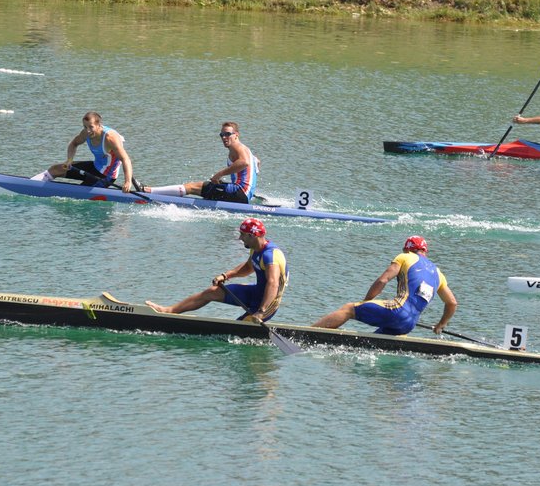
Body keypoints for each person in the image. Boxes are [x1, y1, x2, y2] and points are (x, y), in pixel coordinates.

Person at [146, 218, 287, 322]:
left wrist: (261, 312)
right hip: (255, 292)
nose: (240, 238)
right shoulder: (256, 249)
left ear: (252, 235)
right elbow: (248, 267)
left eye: (242, 235)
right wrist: (226, 275)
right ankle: (169, 311)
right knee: (211, 292)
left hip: (268, 303)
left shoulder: (270, 256)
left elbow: (273, 284)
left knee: (238, 328)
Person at [312, 236, 457, 336]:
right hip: (409, 324)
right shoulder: (438, 273)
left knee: (349, 309)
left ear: (407, 249)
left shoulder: (405, 257)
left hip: (396, 309)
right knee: (371, 343)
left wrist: (366, 302)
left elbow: (383, 280)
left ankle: (307, 333)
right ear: (425, 251)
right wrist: (440, 325)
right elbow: (452, 303)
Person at [142, 121, 259, 203]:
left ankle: (149, 191)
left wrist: (219, 174)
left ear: (236, 135)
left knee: (193, 186)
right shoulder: (245, 149)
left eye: (228, 134)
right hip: (243, 194)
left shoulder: (237, 147)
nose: (224, 137)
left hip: (239, 192)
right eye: (222, 135)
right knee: (210, 186)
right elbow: (256, 161)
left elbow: (244, 163)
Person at [31, 111, 135, 193]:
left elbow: (125, 159)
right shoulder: (86, 133)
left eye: (91, 127)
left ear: (99, 125)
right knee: (55, 169)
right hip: (95, 167)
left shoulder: (110, 138)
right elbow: (73, 143)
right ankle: (31, 185)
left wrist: (127, 181)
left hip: (106, 176)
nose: (88, 130)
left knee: (77, 193)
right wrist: (69, 160)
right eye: (85, 127)